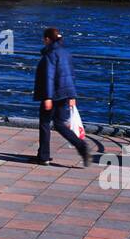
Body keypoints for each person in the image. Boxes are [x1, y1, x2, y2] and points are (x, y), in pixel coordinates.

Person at [32, 26, 89, 166]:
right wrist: (72, 95)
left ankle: (43, 156)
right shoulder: (65, 53)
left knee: (45, 124)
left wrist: (47, 97)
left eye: (44, 39)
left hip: (52, 95)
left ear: (47, 39)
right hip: (65, 94)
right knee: (59, 124)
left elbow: (49, 77)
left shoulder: (50, 54)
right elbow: (71, 75)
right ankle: (81, 145)